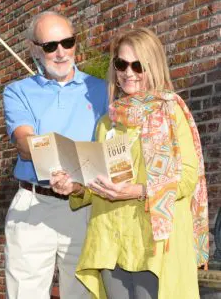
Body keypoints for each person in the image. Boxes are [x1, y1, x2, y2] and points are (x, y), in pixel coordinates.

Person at [50, 27, 209, 299]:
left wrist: (136, 191)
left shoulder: (171, 111)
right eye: (121, 63)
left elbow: (187, 179)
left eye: (138, 65)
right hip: (111, 241)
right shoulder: (107, 123)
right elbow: (98, 179)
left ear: (153, 66)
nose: (128, 72)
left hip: (156, 243)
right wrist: (75, 187)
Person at [2, 11, 108, 299]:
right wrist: (52, 164)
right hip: (33, 205)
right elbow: (23, 142)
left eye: (67, 42)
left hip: (83, 207)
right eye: (50, 46)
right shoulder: (17, 91)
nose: (61, 52)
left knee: (85, 294)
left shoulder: (102, 90)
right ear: (35, 49)